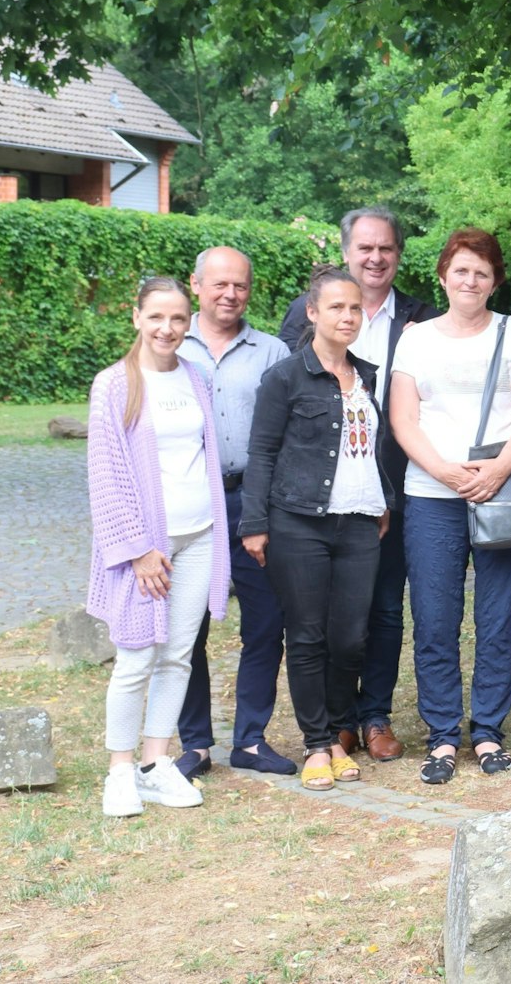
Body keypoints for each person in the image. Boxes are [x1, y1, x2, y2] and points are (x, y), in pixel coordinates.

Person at [390, 228, 511, 783]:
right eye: (461, 270)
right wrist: (444, 471)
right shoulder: (416, 340)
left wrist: (499, 468)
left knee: (499, 618)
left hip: (504, 493)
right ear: (443, 276)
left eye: (482, 272)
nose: (470, 281)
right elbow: (403, 418)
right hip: (432, 495)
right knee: (434, 618)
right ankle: (441, 734)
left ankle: (487, 731)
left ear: (494, 281)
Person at [280, 207, 437, 763]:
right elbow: (288, 394)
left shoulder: (424, 318)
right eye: (365, 248)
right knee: (332, 615)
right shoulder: (304, 314)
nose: (375, 258)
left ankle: (374, 717)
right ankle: (336, 722)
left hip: (394, 486)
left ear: (398, 254)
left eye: (386, 248)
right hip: (322, 493)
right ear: (346, 252)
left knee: (386, 608)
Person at [240, 268, 396, 791]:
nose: (347, 317)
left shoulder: (367, 375)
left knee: (350, 638)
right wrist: (255, 523)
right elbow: (262, 452)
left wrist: (383, 500)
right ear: (312, 312)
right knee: (307, 636)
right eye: (336, 307)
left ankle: (337, 730)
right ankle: (318, 744)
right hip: (298, 522)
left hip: (360, 524)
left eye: (354, 308)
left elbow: (372, 448)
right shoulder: (284, 377)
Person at [87, 277, 231, 817]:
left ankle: (155, 765)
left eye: (177, 318)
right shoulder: (114, 384)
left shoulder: (196, 377)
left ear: (189, 322)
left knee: (177, 655)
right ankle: (119, 772)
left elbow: (204, 456)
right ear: (137, 317)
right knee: (135, 657)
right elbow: (105, 474)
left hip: (200, 536)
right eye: (156, 317)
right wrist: (139, 550)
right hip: (147, 546)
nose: (167, 328)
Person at [172, 246, 295, 778]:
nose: (230, 294)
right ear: (195, 284)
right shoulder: (171, 345)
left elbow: (287, 433)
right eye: (219, 284)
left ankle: (249, 740)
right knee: (186, 627)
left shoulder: (271, 351)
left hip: (254, 500)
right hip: (191, 503)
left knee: (265, 623)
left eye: (240, 285)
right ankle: (195, 743)